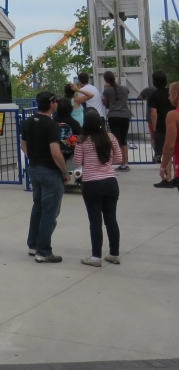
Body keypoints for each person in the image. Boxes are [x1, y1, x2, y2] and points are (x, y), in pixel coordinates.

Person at [21, 91, 70, 263]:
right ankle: (43, 251)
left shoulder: (28, 122)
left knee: (38, 207)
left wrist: (34, 158)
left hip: (34, 169)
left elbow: (23, 145)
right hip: (49, 171)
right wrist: (65, 171)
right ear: (51, 104)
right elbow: (56, 153)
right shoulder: (52, 125)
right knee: (50, 211)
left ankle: (33, 245)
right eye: (55, 101)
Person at [73, 110, 122, 267]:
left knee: (95, 221)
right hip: (111, 182)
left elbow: (77, 161)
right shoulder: (111, 137)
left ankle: (95, 257)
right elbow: (119, 158)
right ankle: (114, 254)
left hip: (92, 183)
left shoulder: (82, 141)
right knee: (111, 218)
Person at [102, 71, 131, 171]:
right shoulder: (124, 88)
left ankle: (119, 161)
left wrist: (105, 89)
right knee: (124, 140)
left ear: (105, 80)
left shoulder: (107, 90)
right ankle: (125, 162)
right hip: (125, 115)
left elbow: (105, 103)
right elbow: (126, 97)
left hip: (114, 115)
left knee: (116, 140)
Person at [147, 71, 173, 180]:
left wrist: (155, 128)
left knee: (165, 152)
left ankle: (167, 178)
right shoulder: (171, 93)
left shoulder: (153, 96)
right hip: (173, 124)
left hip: (161, 126)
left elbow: (154, 114)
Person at [159, 83, 179, 195]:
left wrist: (163, 166)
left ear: (175, 94)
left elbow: (169, 146)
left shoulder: (173, 115)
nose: (169, 97)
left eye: (170, 94)